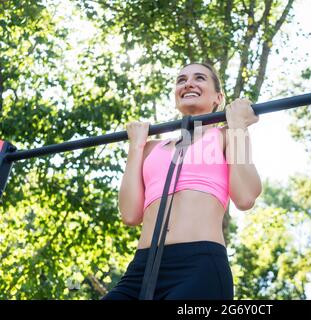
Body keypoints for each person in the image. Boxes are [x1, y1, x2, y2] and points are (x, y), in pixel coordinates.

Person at [101, 63, 262, 300]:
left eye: (199, 78)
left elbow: (246, 197)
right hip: (142, 269)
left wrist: (237, 125)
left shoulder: (226, 136)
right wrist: (135, 147)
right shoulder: (150, 148)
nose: (188, 83)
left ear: (218, 97)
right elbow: (130, 214)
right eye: (181, 80)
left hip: (199, 266)